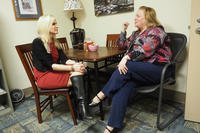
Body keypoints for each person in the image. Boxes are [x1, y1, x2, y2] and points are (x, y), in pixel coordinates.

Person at [89, 6, 172, 133]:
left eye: (138, 16)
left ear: (147, 18)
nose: (135, 18)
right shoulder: (135, 34)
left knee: (128, 66)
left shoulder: (157, 31)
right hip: (139, 72)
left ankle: (103, 94)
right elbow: (121, 45)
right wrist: (123, 30)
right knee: (122, 89)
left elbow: (146, 50)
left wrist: (126, 58)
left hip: (158, 70)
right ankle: (112, 126)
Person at [32, 15, 91, 120]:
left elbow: (64, 60)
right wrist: (73, 68)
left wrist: (77, 64)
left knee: (81, 70)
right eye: (54, 24)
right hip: (44, 75)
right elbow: (51, 66)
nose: (57, 26)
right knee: (78, 74)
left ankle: (81, 108)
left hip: (53, 72)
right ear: (46, 26)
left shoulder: (54, 42)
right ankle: (81, 109)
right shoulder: (38, 42)